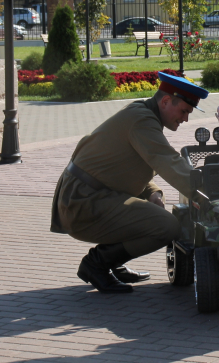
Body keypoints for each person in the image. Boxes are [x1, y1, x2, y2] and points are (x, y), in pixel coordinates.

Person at [50, 72, 209, 294]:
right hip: (84, 202)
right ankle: (97, 263)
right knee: (167, 226)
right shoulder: (142, 121)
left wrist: (153, 192)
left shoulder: (141, 114)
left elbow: (126, 166)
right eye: (184, 111)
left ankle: (112, 261)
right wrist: (210, 195)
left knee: (151, 214)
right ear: (165, 101)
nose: (185, 119)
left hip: (87, 196)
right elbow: (168, 161)